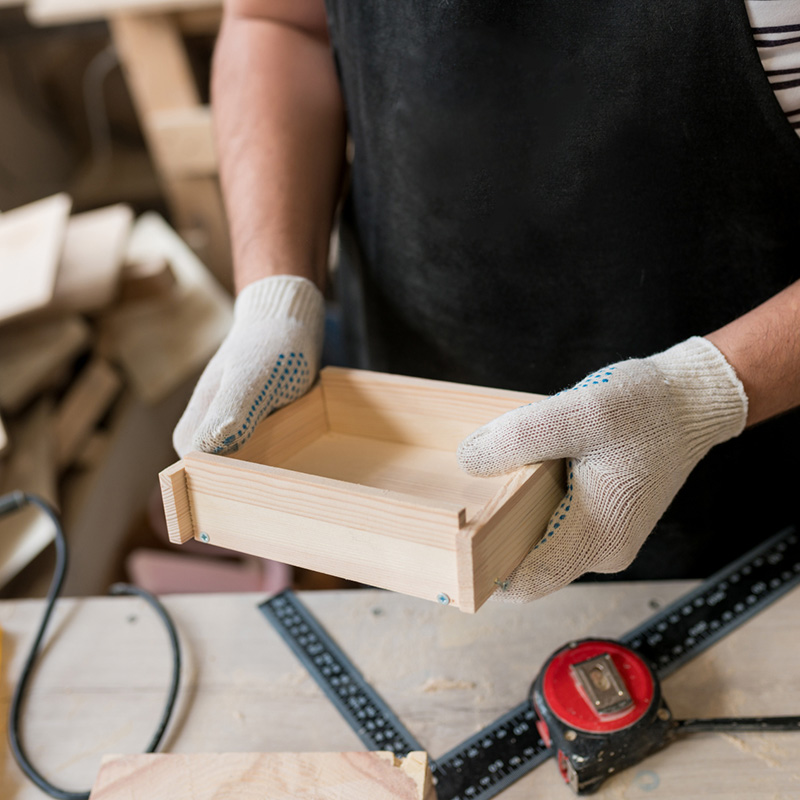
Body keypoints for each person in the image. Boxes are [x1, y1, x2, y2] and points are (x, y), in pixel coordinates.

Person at [174, 1, 800, 602]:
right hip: (399, 440)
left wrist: (700, 395)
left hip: (744, 458)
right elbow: (278, 21)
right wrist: (274, 297)